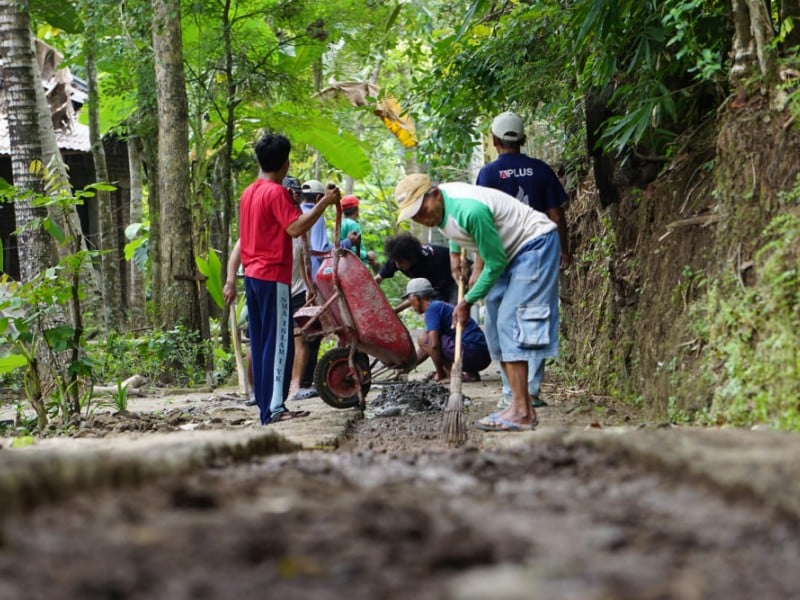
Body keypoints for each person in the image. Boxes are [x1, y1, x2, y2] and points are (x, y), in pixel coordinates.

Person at [394, 173, 559, 431]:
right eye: (413, 215)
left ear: (434, 194)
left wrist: (467, 301)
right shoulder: (440, 209)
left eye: (421, 210)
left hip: (532, 244)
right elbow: (454, 230)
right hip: (508, 250)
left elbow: (494, 263)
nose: (420, 218)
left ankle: (523, 412)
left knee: (510, 322)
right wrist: (455, 254)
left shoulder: (470, 210)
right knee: (494, 328)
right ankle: (517, 405)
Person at [226, 134, 340, 425]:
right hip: (272, 275)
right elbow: (295, 227)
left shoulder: (249, 192)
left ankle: (266, 406)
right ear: (285, 163)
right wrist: (325, 202)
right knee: (279, 343)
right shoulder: (274, 192)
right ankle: (275, 408)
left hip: (252, 276)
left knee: (263, 341)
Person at [476, 110, 571, 409]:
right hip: (536, 256)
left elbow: (482, 221)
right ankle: (530, 390)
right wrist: (564, 250)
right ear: (523, 139)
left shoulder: (488, 174)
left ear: (494, 141)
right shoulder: (541, 170)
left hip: (500, 257)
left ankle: (510, 393)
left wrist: (478, 266)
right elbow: (557, 215)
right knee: (533, 316)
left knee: (500, 321)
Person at [403, 277, 490, 383]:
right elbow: (425, 348)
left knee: (424, 338)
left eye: (410, 300)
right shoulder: (438, 306)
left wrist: (440, 373)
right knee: (427, 339)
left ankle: (448, 374)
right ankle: (471, 374)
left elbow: (433, 346)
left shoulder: (432, 309)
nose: (411, 306)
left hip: (472, 353)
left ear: (415, 298)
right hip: (481, 356)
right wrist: (406, 368)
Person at [376, 232, 458, 306]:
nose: (397, 265)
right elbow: (377, 279)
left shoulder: (430, 263)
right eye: (395, 261)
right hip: (437, 286)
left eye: (400, 262)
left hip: (452, 279)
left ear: (412, 259)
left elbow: (420, 296)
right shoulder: (396, 257)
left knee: (452, 312)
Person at [339, 194, 380, 273]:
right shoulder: (352, 224)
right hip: (354, 263)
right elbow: (352, 246)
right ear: (356, 209)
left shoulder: (342, 223)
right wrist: (366, 255)